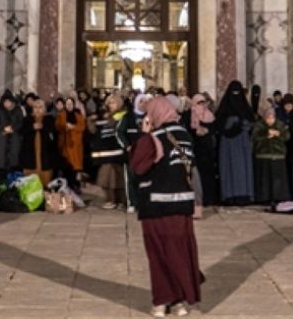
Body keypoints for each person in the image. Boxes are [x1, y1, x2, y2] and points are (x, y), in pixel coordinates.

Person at [131, 91, 203, 317]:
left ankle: (162, 301)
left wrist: (144, 135)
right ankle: (180, 301)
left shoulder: (155, 137)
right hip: (182, 204)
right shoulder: (185, 136)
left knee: (159, 253)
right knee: (180, 252)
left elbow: (138, 166)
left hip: (157, 204)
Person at [215, 80, 254, 205]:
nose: (236, 95)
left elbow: (251, 122)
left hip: (242, 142)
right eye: (233, 92)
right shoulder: (223, 110)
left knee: (243, 169)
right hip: (228, 142)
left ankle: (244, 195)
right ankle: (229, 195)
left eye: (238, 92)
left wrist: (243, 125)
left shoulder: (246, 109)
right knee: (228, 168)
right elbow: (219, 125)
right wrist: (231, 125)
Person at [92, 92, 127, 209]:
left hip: (118, 151)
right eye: (109, 103)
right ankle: (110, 199)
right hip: (106, 151)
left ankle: (121, 200)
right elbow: (95, 130)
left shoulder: (122, 115)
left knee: (118, 178)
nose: (111, 105)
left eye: (113, 102)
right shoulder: (104, 116)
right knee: (105, 177)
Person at [251, 104, 289, 206]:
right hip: (263, 155)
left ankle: (278, 197)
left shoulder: (280, 124)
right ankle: (264, 198)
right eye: (268, 117)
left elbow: (286, 136)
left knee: (277, 179)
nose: (270, 120)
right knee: (264, 179)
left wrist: (278, 134)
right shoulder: (259, 125)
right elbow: (255, 138)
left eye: (272, 117)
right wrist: (266, 135)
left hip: (278, 155)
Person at [186, 93, 217, 208]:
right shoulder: (189, 115)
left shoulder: (209, 115)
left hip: (207, 151)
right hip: (195, 150)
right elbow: (188, 131)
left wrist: (206, 131)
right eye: (199, 103)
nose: (201, 105)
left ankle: (208, 198)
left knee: (207, 175)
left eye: (203, 103)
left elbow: (213, 129)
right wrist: (196, 132)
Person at [20, 97, 58, 186]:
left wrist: (43, 127)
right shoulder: (27, 119)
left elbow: (53, 133)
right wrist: (32, 128)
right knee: (30, 180)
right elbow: (22, 132)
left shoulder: (49, 118)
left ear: (44, 108)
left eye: (40, 107)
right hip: (30, 153)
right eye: (35, 107)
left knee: (45, 177)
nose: (37, 109)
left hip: (45, 153)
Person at [0, 90, 23, 177]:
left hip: (14, 137)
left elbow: (21, 122)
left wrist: (13, 128)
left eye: (9, 101)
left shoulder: (18, 109)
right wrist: (3, 128)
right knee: (1, 158)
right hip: (2, 137)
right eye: (5, 102)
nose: (7, 104)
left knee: (14, 157)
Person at [56, 96, 86, 181]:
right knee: (66, 164)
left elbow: (82, 127)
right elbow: (57, 126)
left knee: (76, 164)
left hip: (76, 143)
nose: (69, 105)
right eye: (67, 104)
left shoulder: (78, 115)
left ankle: (76, 182)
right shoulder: (61, 115)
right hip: (65, 143)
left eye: (70, 104)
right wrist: (64, 126)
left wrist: (73, 127)